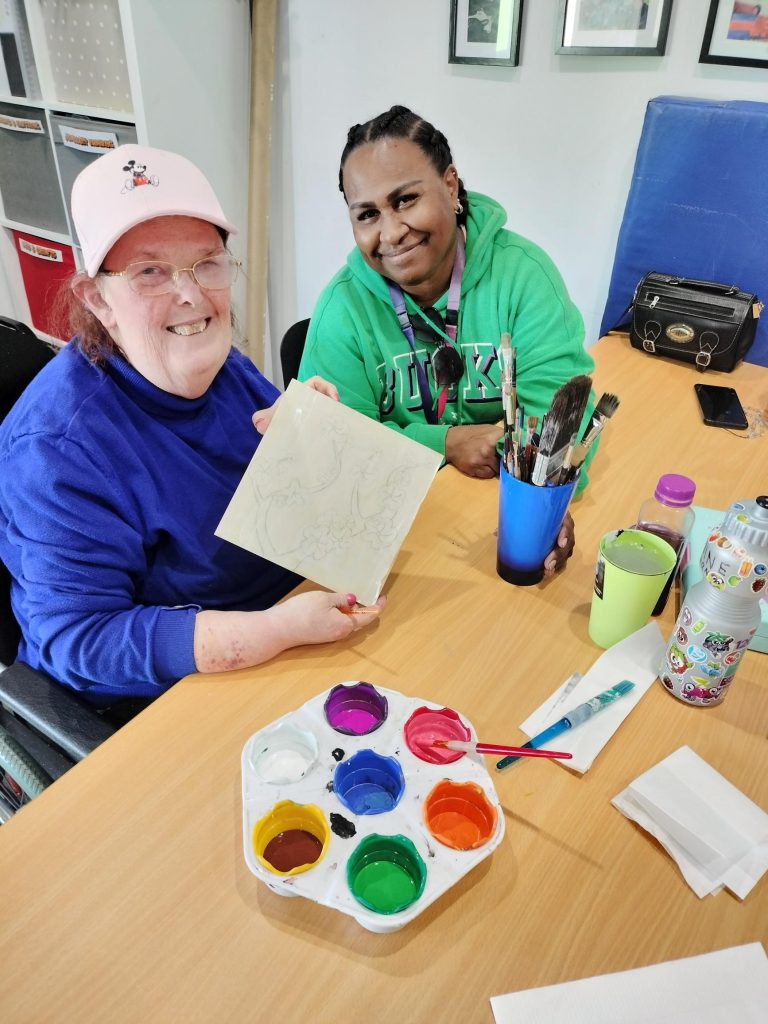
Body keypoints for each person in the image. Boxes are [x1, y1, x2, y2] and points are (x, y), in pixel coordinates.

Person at [0, 145, 384, 713]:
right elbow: (83, 640)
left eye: (207, 262)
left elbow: (291, 521)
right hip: (162, 704)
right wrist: (273, 631)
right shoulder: (58, 448)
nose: (191, 294)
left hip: (289, 638)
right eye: (149, 272)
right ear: (96, 299)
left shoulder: (222, 364)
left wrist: (315, 448)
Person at [298, 105, 595, 573]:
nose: (391, 232)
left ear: (451, 187)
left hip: (495, 526)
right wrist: (445, 443)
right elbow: (336, 460)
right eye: (368, 214)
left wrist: (539, 504)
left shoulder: (524, 278)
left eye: (406, 200)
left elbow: (560, 433)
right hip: (398, 548)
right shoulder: (342, 310)